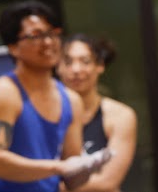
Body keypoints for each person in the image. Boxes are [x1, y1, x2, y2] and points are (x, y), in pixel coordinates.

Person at [0, 1, 111, 192]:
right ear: (13, 47)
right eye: (36, 36)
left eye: (52, 33)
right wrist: (57, 167)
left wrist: (88, 165)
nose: (48, 42)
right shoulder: (4, 91)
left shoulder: (71, 100)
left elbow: (71, 178)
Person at [59, 35, 138, 192]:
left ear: (100, 65)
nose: (76, 69)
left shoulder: (120, 115)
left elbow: (107, 182)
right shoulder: (44, 114)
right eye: (68, 62)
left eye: (85, 61)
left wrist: (48, 186)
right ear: (57, 67)